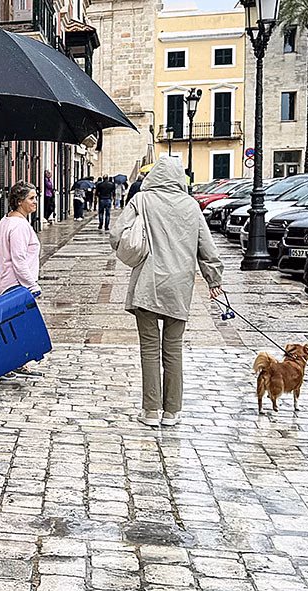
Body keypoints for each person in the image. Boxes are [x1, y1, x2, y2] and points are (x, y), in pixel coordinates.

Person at [110, 156, 223, 428]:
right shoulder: (191, 205)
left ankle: (150, 411)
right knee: (173, 349)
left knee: (149, 350)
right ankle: (172, 411)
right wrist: (213, 279)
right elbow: (206, 247)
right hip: (179, 286)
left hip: (147, 283)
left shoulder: (141, 200)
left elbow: (116, 234)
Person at [0, 181, 42, 298]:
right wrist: (32, 285)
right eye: (31, 198)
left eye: (35, 198)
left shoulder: (5, 220)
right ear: (19, 201)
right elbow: (19, 259)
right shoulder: (19, 225)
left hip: (3, 283)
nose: (35, 201)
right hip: (16, 285)